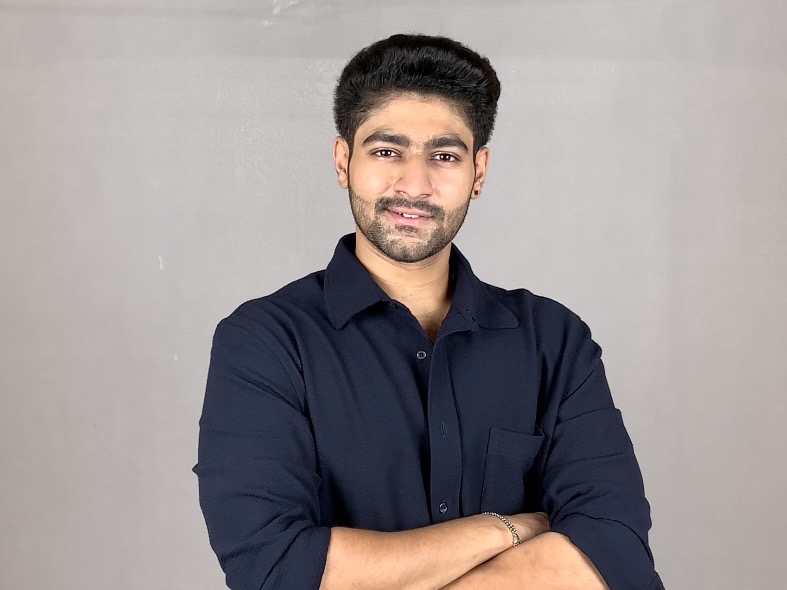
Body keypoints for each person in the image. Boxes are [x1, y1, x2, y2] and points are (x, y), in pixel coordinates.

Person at [193, 33, 664, 590]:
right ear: (343, 161)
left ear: (478, 171)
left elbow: (615, 556)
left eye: (444, 156)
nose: (414, 184)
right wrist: (506, 529)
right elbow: (273, 567)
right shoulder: (265, 341)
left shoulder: (554, 341)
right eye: (386, 151)